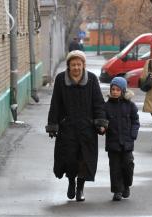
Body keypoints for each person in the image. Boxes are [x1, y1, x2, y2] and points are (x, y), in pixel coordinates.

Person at [46, 50, 108, 202]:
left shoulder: (92, 79)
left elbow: (98, 103)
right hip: (68, 127)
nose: (76, 67)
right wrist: (53, 124)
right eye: (73, 64)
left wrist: (100, 122)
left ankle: (80, 188)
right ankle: (71, 181)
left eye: (79, 64)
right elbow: (56, 104)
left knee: (85, 160)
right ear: (68, 66)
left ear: (83, 65)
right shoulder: (61, 79)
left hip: (87, 128)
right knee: (70, 159)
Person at [104, 77, 140, 201]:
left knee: (128, 165)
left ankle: (126, 184)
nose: (114, 92)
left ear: (123, 91)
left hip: (127, 142)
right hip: (113, 142)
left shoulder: (130, 105)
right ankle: (117, 190)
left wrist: (133, 135)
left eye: (117, 90)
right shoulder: (107, 106)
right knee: (115, 168)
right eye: (112, 89)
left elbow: (135, 121)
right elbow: (103, 121)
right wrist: (102, 127)